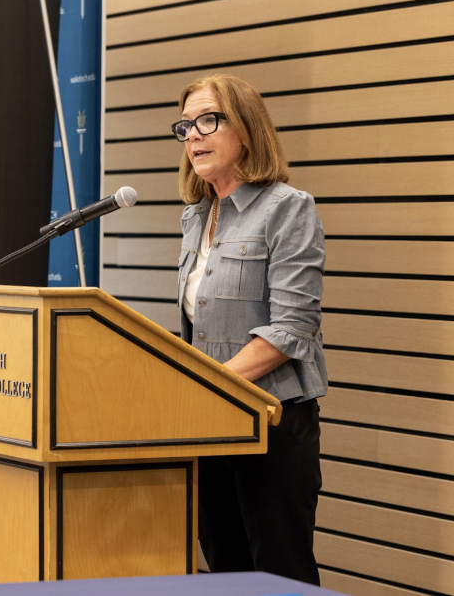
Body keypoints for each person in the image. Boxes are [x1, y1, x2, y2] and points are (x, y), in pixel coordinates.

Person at [173, 74, 327, 584]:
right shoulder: (197, 216)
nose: (193, 135)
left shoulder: (288, 208)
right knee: (225, 570)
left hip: (273, 424)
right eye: (185, 126)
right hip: (213, 425)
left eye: (207, 121)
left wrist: (207, 386)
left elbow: (292, 327)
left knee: (280, 574)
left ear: (246, 129)